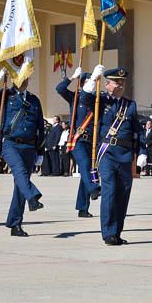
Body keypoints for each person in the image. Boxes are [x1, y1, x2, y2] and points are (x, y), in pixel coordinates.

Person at [80, 65, 147, 245]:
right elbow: (84, 98)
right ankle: (108, 233)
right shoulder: (101, 101)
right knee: (109, 191)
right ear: (107, 84)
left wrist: (142, 151)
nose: (120, 85)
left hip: (125, 155)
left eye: (122, 82)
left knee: (123, 194)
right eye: (117, 82)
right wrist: (93, 79)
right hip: (107, 153)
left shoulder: (130, 105)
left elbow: (138, 131)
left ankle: (117, 232)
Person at [0, 68, 45, 236]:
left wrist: (40, 151)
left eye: (25, 78)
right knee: (20, 172)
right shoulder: (4, 95)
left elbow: (40, 127)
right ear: (14, 78)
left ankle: (15, 223)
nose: (23, 81)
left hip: (29, 147)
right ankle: (33, 196)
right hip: (10, 144)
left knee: (20, 185)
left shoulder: (34, 100)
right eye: (19, 77)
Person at [56, 69, 101, 217]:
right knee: (86, 166)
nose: (92, 84)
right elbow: (59, 89)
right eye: (88, 81)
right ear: (82, 84)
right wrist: (72, 77)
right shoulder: (75, 97)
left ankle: (83, 208)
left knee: (86, 173)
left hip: (91, 142)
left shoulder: (96, 101)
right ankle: (94, 189)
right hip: (77, 140)